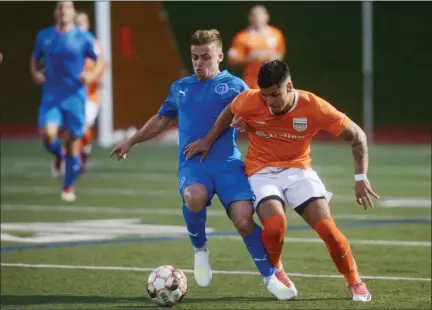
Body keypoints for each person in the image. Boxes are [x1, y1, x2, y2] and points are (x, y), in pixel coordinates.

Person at [110, 30, 297, 300]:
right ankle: (200, 250)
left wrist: (246, 123)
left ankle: (270, 278)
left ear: (220, 56)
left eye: (206, 57)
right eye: (195, 57)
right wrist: (132, 141)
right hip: (194, 165)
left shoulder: (236, 87)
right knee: (193, 197)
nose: (200, 62)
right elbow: (162, 119)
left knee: (245, 221)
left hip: (228, 165)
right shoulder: (180, 87)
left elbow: (259, 114)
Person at [185, 60, 379, 302]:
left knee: (328, 230)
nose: (270, 102)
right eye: (265, 96)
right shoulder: (250, 99)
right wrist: (208, 139)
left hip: (299, 170)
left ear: (290, 86)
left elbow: (357, 136)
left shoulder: (314, 106)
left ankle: (355, 281)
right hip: (261, 171)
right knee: (276, 226)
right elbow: (229, 112)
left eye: (275, 94)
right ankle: (277, 269)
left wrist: (360, 177)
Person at [30, 1, 105, 201]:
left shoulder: (84, 38)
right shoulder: (44, 36)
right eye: (60, 7)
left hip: (75, 97)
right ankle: (59, 155)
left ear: (73, 12)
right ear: (56, 12)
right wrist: (36, 73)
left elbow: (100, 61)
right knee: (48, 135)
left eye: (68, 7)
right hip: (52, 96)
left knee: (74, 141)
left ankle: (68, 186)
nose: (64, 10)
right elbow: (35, 58)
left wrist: (92, 76)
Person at [75, 11, 105, 170]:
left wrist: (94, 77)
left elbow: (101, 66)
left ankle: (83, 153)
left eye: (81, 23)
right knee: (72, 130)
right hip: (72, 96)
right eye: (76, 23)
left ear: (87, 26)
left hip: (90, 96)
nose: (79, 26)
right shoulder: (69, 44)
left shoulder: (94, 45)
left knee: (85, 128)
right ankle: (73, 159)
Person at [227, 5, 285, 89]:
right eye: (254, 15)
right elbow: (232, 59)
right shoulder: (242, 37)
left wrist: (273, 57)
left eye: (260, 15)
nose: (258, 18)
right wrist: (250, 58)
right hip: (252, 82)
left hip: (273, 80)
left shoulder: (276, 33)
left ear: (267, 16)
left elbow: (281, 52)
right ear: (249, 18)